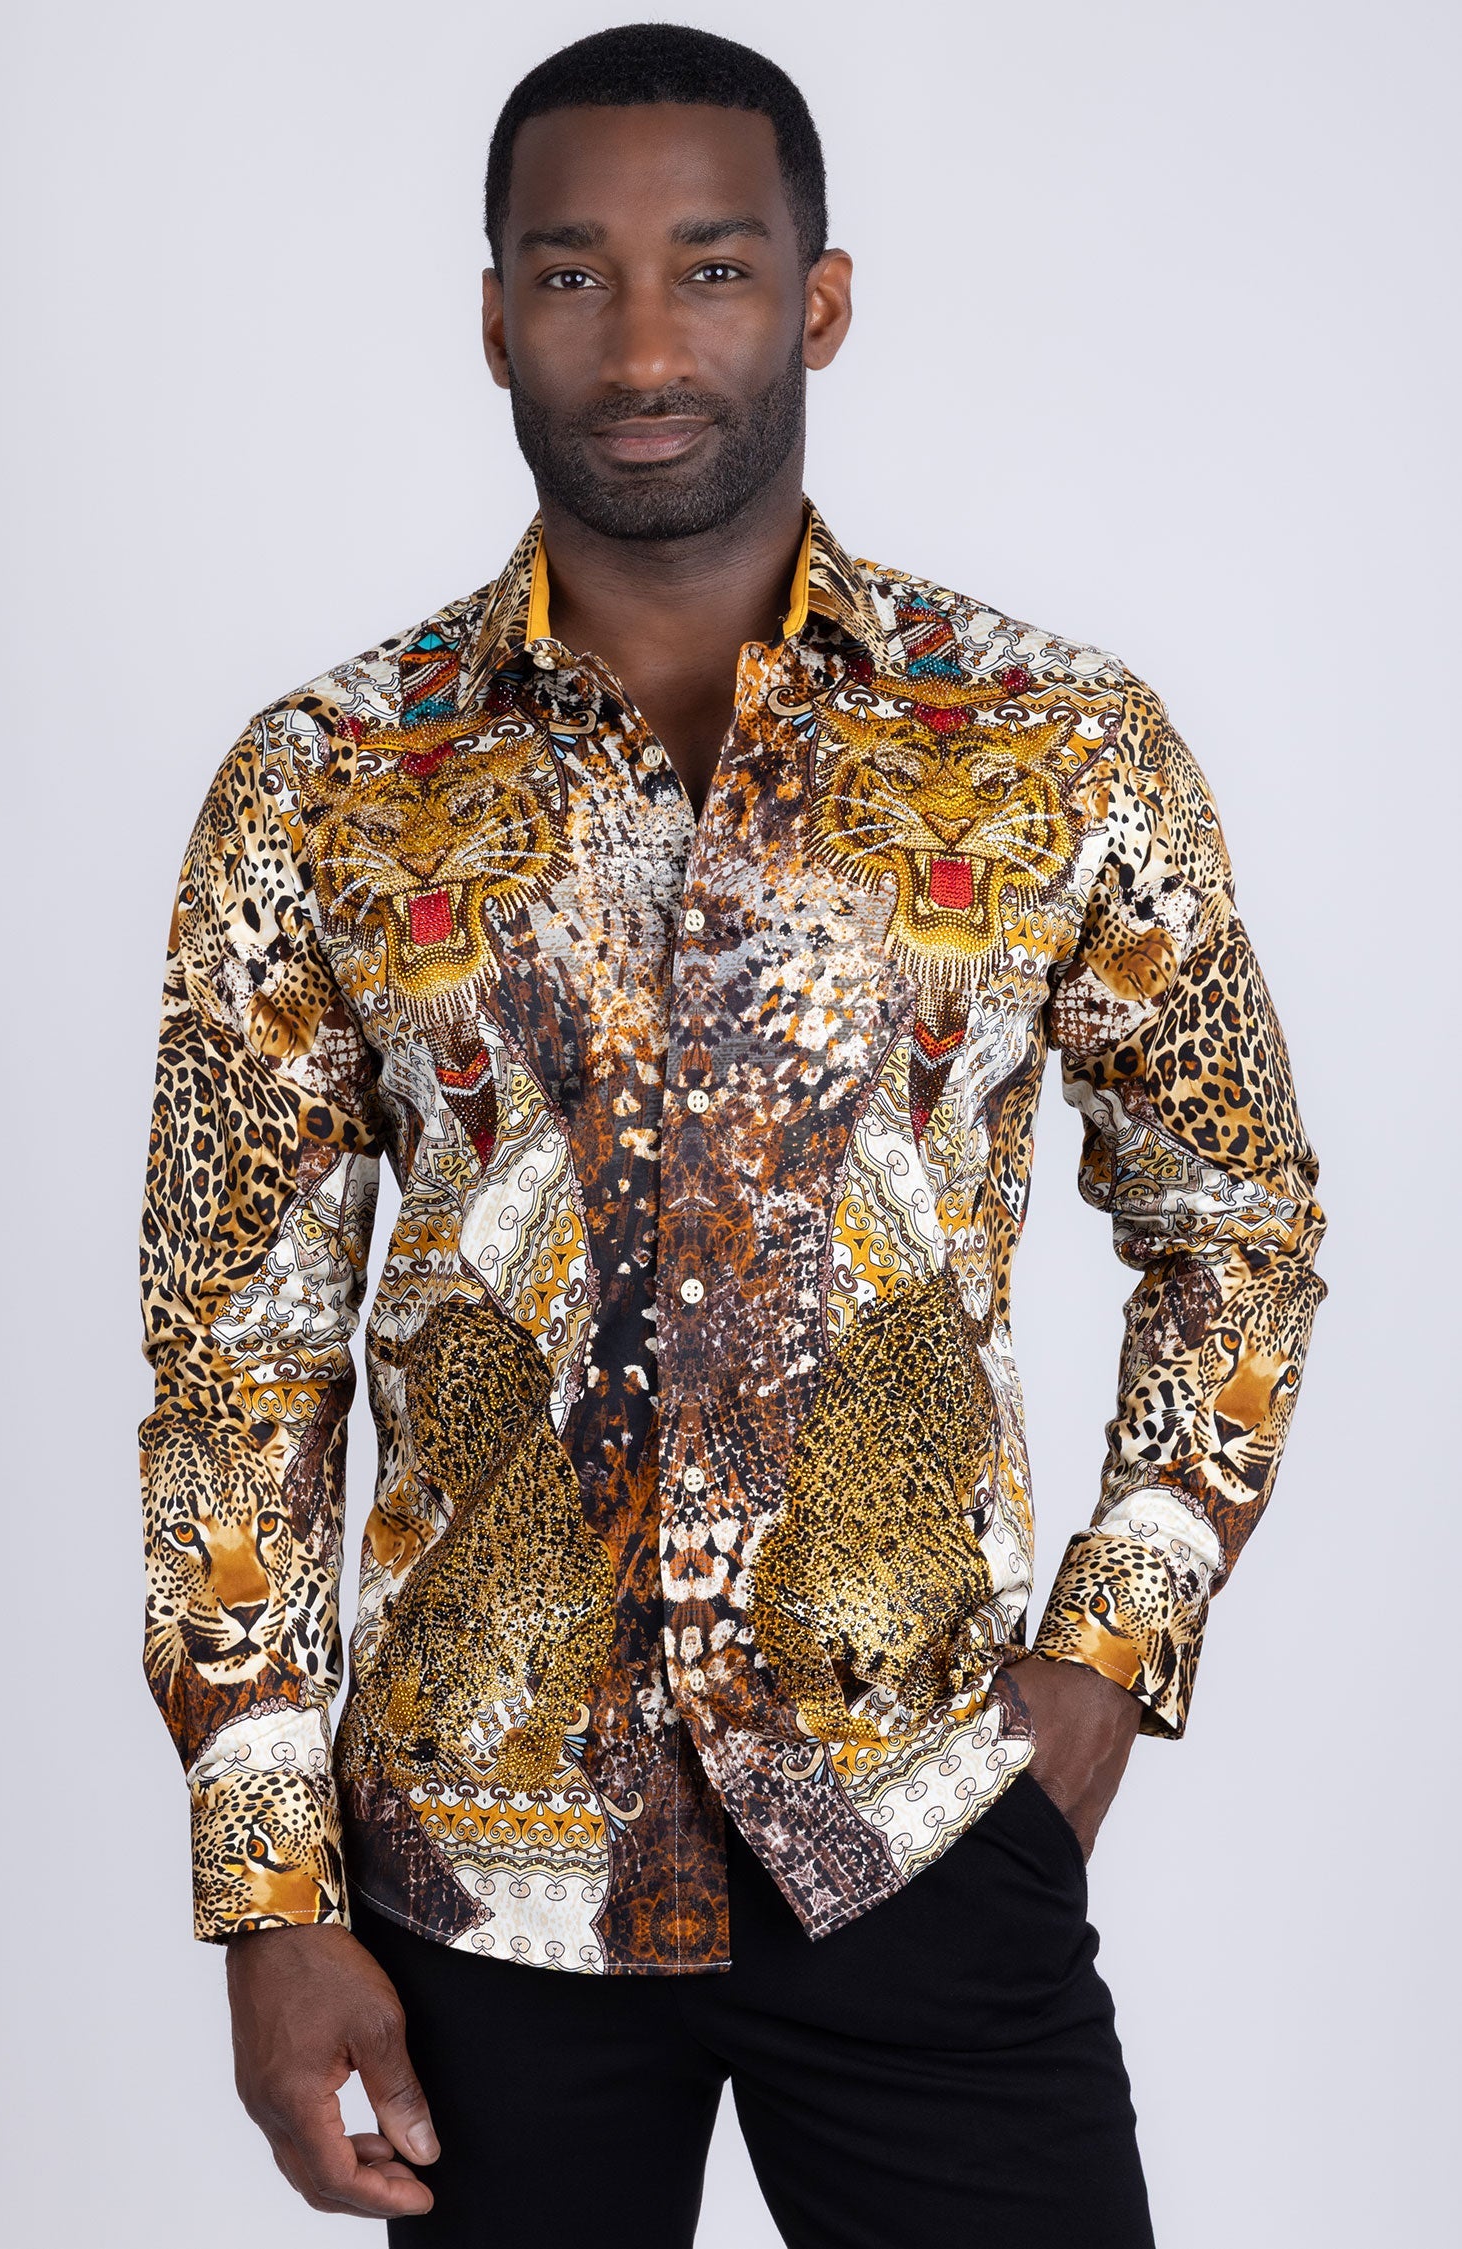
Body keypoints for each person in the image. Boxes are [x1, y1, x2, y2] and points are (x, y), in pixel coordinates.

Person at [138, 24, 1325, 2248]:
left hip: (921, 1825)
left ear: (821, 298)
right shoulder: (319, 787)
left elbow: (1236, 1217)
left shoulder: (1056, 744)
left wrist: (1110, 1653)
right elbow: (236, 1363)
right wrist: (267, 1896)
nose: (645, 345)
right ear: (492, 314)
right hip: (474, 1891)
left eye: (712, 266)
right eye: (571, 274)